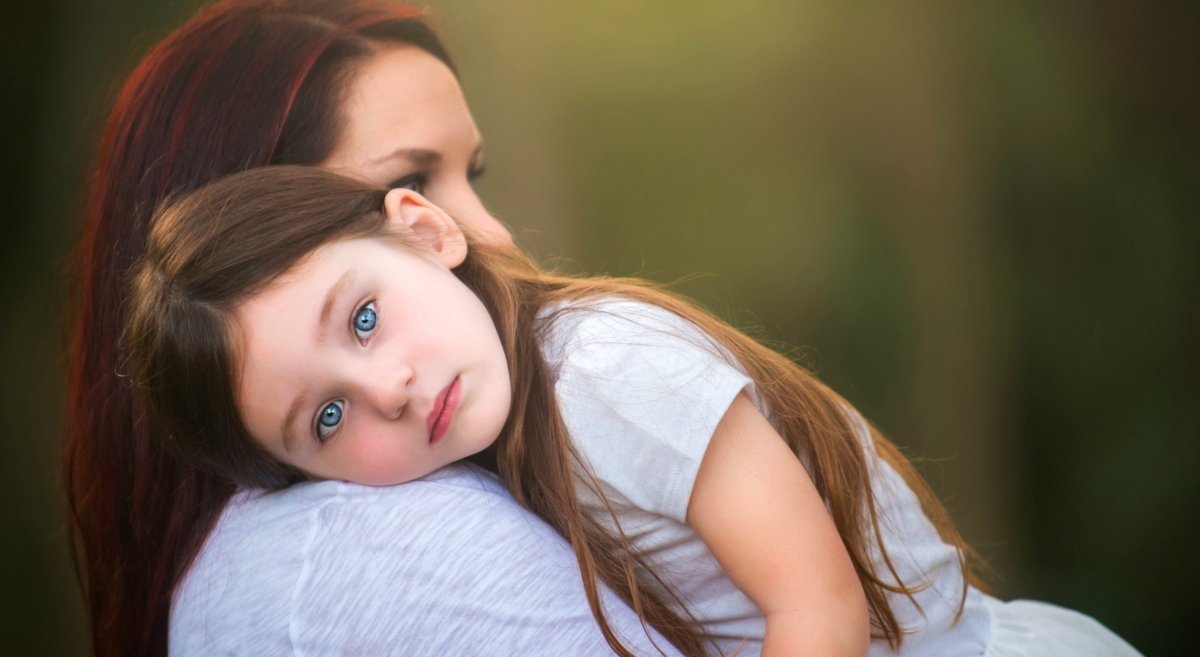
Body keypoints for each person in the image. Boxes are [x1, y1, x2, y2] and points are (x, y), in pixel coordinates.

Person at [125, 165, 1144, 657]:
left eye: (363, 317)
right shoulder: (490, 426)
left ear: (425, 228)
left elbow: (818, 605)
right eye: (329, 422)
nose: (384, 386)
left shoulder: (605, 372)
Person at [64, 1, 682, 656]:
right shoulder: (382, 549)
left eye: (468, 174)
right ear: (252, 225)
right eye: (410, 179)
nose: (494, 235)